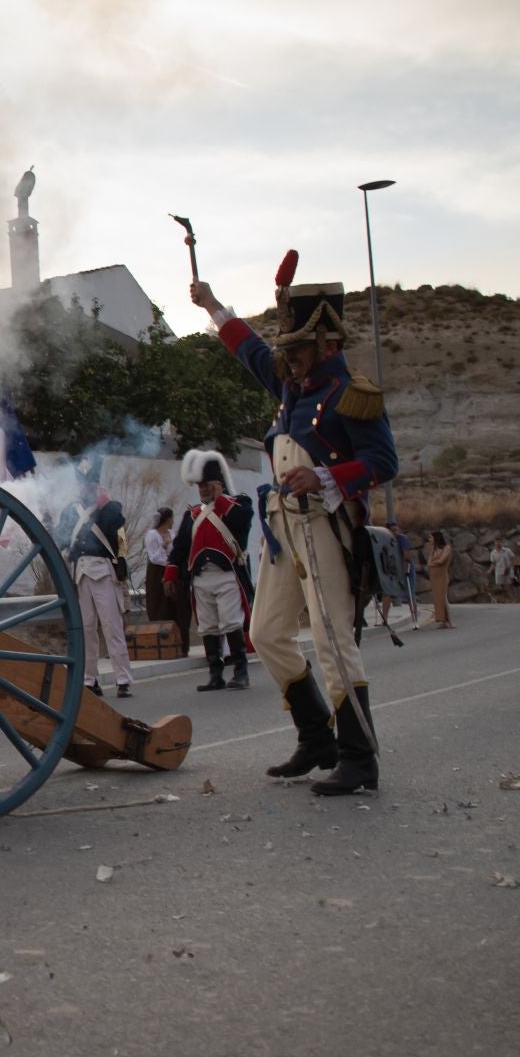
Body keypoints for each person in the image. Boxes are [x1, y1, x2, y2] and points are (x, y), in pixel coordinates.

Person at [194, 262, 397, 796]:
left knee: (332, 640)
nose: (290, 356)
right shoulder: (291, 383)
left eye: (300, 347)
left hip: (327, 524)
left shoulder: (352, 393)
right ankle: (317, 739)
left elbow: (384, 461)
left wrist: (326, 476)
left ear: (328, 343)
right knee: (265, 632)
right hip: (284, 527)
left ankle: (360, 758)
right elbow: (249, 350)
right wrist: (212, 305)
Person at [166, 451, 255, 693]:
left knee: (231, 622)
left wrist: (220, 499)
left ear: (219, 483)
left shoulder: (238, 504)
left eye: (207, 485)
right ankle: (216, 675)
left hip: (227, 575)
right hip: (200, 578)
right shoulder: (193, 514)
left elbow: (242, 521)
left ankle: (241, 671)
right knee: (207, 626)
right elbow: (180, 547)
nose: (203, 490)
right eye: (200, 486)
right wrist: (171, 573)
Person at [58, 467, 133, 699]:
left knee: (112, 626)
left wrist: (105, 504)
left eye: (90, 484)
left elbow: (118, 529)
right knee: (86, 629)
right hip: (80, 573)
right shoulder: (71, 510)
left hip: (103, 571)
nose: (86, 489)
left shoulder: (110, 508)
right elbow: (61, 537)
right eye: (83, 484)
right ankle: (90, 679)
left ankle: (123, 678)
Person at [143, 506, 177, 633]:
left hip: (170, 569)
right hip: (157, 572)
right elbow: (153, 557)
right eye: (172, 518)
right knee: (158, 604)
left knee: (173, 604)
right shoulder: (152, 535)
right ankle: (159, 633)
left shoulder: (172, 534)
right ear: (168, 519)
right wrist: (164, 546)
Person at [426, 531, 455, 628]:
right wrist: (433, 563)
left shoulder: (447, 548)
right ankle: (443, 620)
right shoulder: (433, 549)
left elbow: (441, 560)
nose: (429, 540)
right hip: (434, 576)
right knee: (437, 598)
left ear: (436, 538)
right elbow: (429, 562)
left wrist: (433, 563)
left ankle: (449, 621)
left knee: (443, 597)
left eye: (431, 538)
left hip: (442, 575)